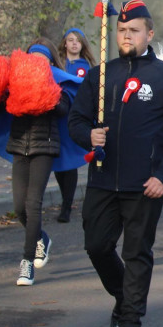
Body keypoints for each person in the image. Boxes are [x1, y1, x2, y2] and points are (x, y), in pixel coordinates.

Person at [68, 0, 163, 327]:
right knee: (96, 245)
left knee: (137, 252)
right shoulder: (100, 75)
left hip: (145, 185)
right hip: (103, 179)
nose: (126, 36)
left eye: (134, 30)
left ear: (149, 33)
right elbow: (76, 120)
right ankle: (124, 297)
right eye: (122, 30)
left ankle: (130, 324)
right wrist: (88, 136)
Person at [8, 39, 79, 285]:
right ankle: (41, 239)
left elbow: (63, 109)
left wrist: (45, 91)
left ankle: (27, 263)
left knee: (33, 203)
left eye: (43, 59)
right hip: (19, 145)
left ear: (50, 62)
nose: (37, 62)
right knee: (18, 207)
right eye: (33, 57)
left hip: (45, 146)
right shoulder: (17, 80)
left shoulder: (58, 82)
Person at [54, 28, 96, 223]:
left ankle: (66, 206)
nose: (73, 44)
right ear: (64, 43)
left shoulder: (86, 66)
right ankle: (65, 199)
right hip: (58, 118)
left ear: (82, 44)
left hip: (76, 118)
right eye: (70, 40)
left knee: (69, 161)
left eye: (77, 41)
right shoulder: (58, 65)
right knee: (58, 161)